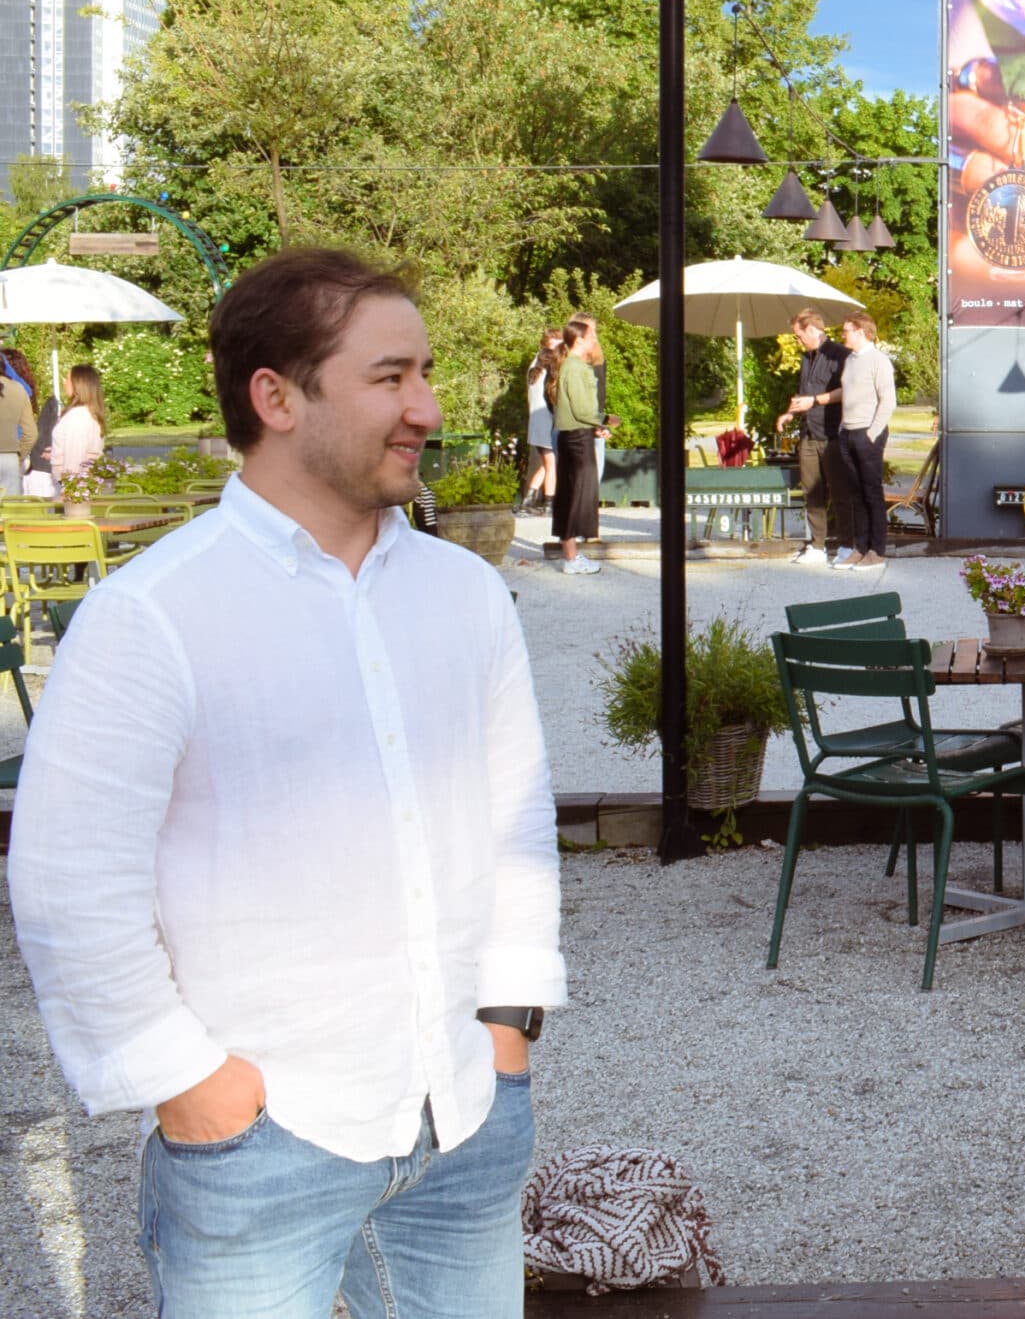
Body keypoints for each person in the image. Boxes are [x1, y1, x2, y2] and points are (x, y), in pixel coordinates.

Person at [5, 246, 565, 1319]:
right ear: (276, 397)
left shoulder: (465, 596)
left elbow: (514, 821)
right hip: (261, 1147)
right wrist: (192, 1085)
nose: (427, 406)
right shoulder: (154, 615)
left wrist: (507, 1026)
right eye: (390, 376)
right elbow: (70, 881)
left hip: (463, 1118)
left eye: (425, 372)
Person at [778, 306, 856, 568]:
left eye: (799, 335)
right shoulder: (805, 359)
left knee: (841, 492)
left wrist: (814, 401)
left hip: (832, 433)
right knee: (812, 492)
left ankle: (847, 545)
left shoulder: (841, 356)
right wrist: (789, 413)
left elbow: (847, 391)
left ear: (812, 329)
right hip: (808, 433)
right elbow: (803, 394)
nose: (798, 340)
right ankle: (818, 545)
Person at [835, 312, 896, 566]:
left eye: (846, 330)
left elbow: (888, 401)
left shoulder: (878, 360)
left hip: (867, 434)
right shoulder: (850, 360)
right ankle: (860, 548)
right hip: (847, 433)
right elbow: (848, 394)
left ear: (860, 331)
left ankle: (876, 550)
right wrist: (842, 429)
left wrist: (871, 434)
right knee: (856, 494)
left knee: (871, 493)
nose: (843, 334)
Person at [549, 318, 602, 575]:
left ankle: (571, 556)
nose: (595, 339)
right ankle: (570, 559)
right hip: (576, 439)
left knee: (573, 496)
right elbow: (582, 409)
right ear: (579, 339)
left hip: (577, 435)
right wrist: (603, 420)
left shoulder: (573, 365)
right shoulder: (574, 367)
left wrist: (596, 426)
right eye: (592, 335)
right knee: (574, 497)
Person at [522, 326, 564, 514]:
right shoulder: (549, 364)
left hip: (535, 421)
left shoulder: (534, 366)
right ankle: (549, 503)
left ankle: (528, 500)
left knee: (546, 463)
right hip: (545, 419)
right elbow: (552, 397)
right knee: (551, 463)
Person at [48, 362, 107, 487]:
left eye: (68, 379)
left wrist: (71, 486)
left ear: (79, 385)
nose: (64, 382)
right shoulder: (88, 413)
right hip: (80, 483)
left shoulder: (78, 416)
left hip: (73, 486)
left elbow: (75, 457)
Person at [0, 347, 35, 494]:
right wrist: (19, 456)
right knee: (10, 509)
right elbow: (31, 433)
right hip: (9, 457)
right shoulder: (19, 389)